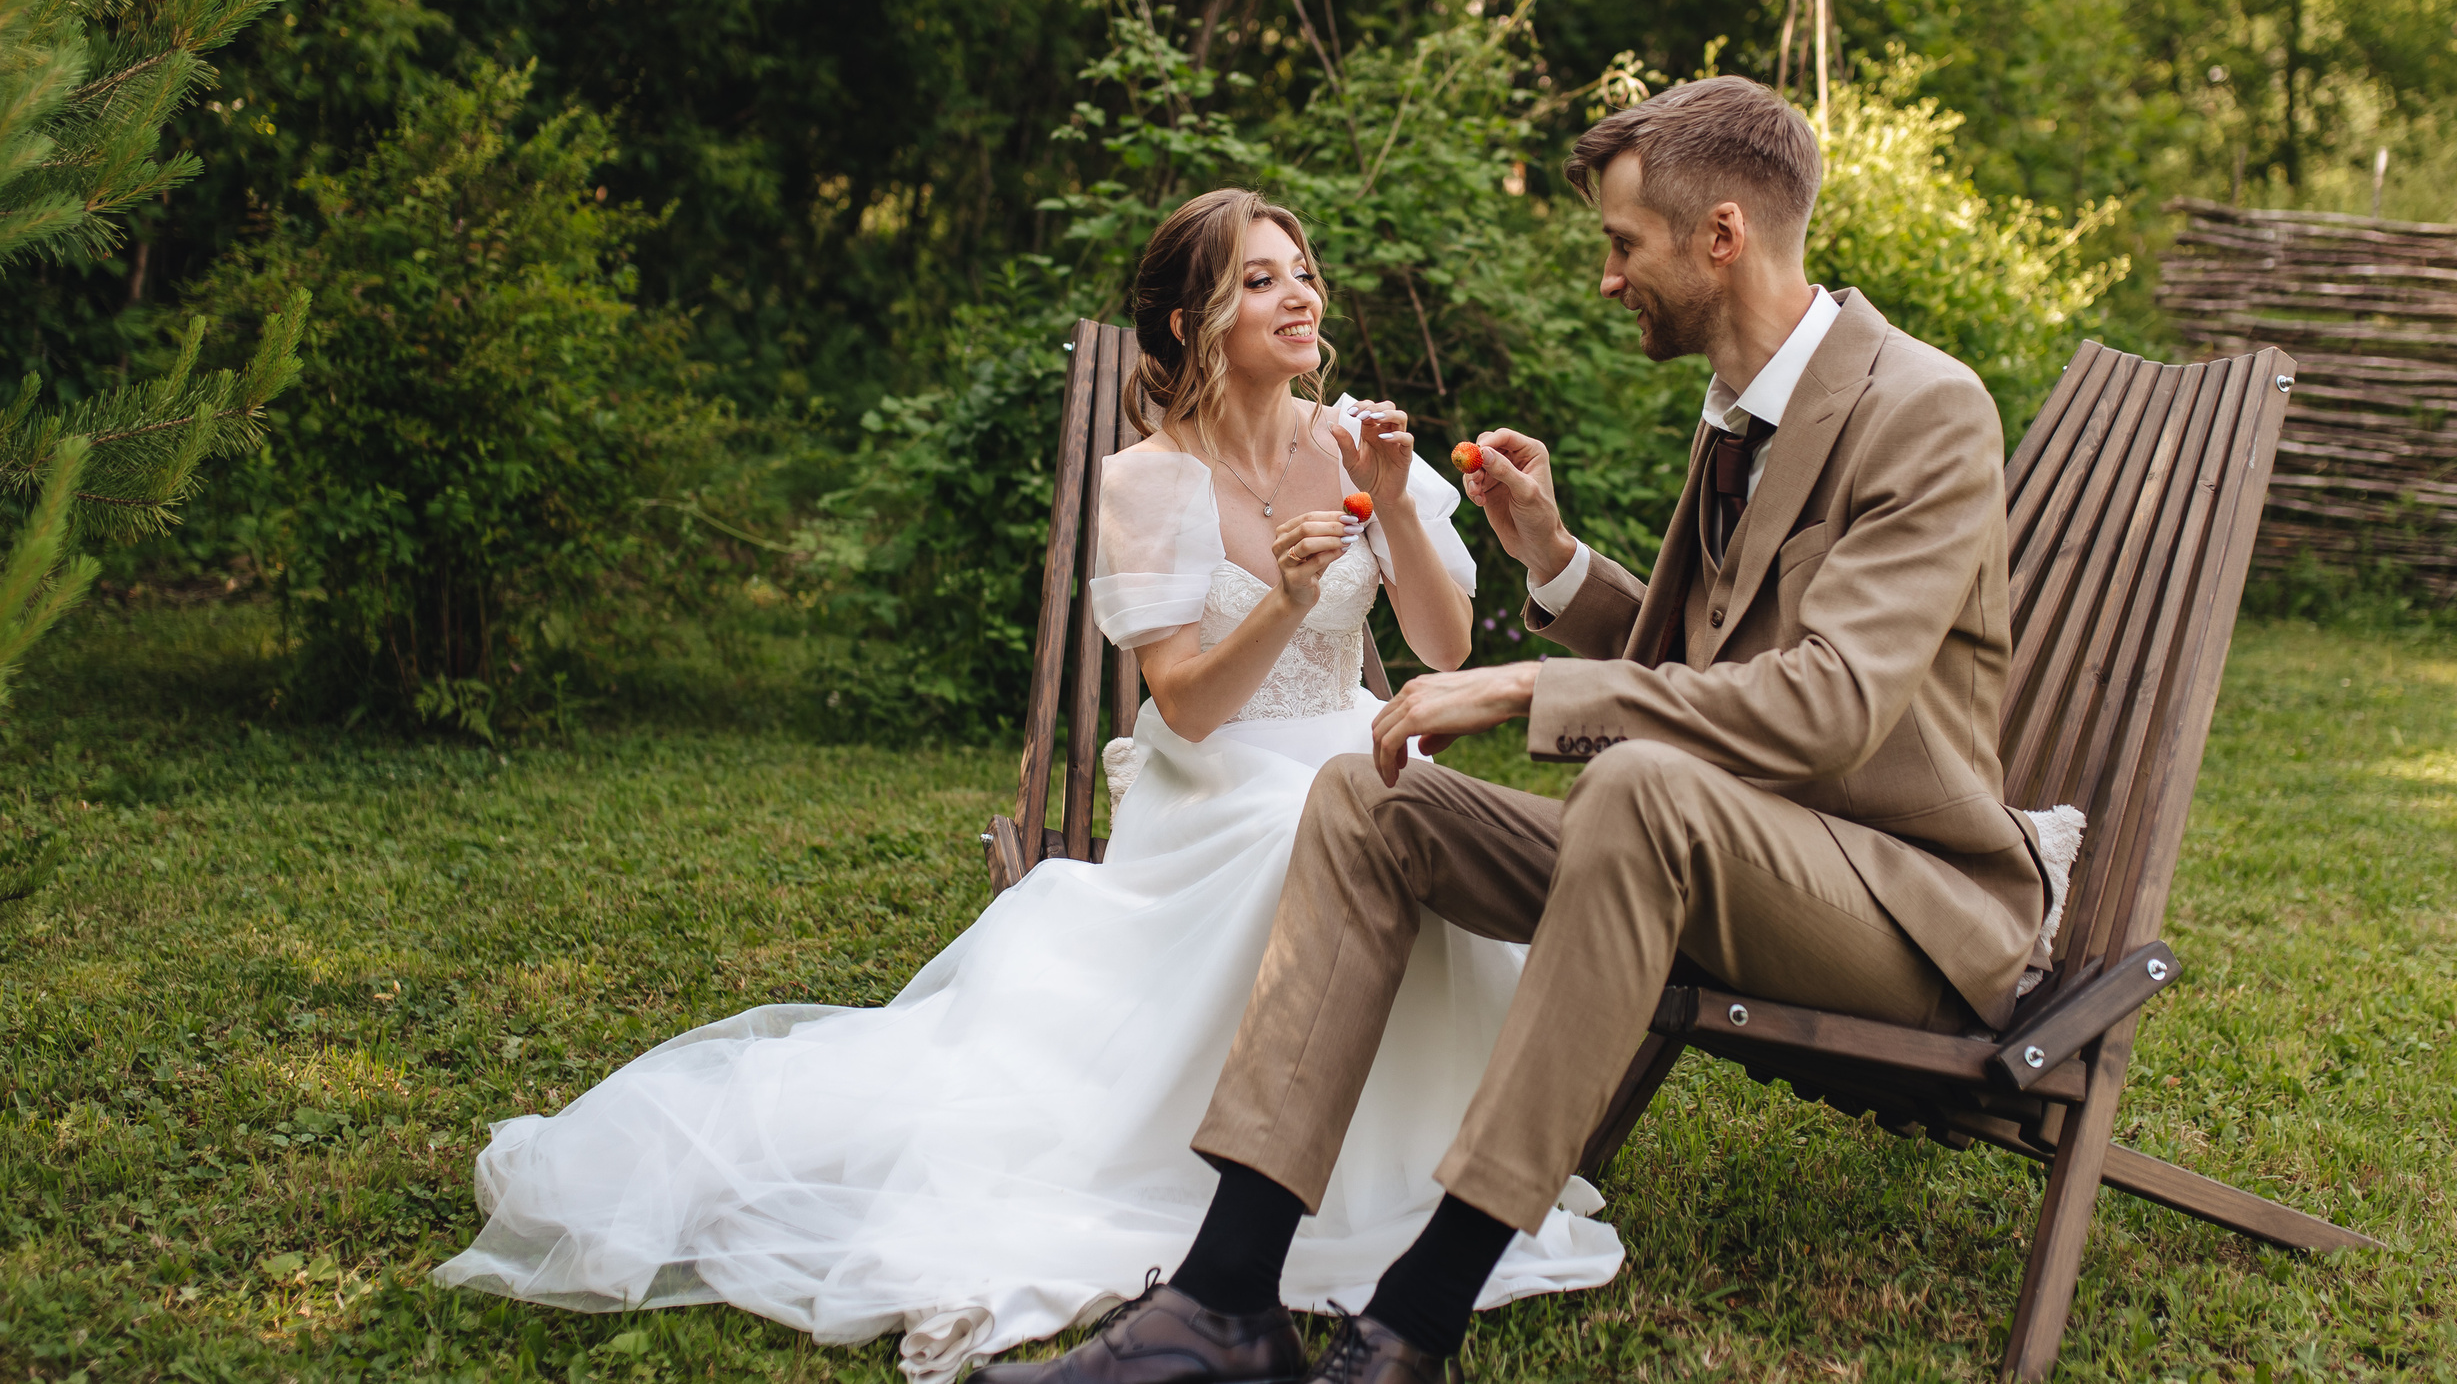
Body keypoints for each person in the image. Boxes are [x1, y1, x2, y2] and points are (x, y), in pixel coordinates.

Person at [432, 189, 1621, 1382]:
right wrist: (1287, 600)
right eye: (1257, 280)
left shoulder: (1359, 435)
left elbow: (1448, 646)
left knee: (1384, 807)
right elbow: (1191, 705)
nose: (1298, 293)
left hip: (1349, 744)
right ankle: (1251, 1206)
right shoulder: (1147, 484)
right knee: (1305, 830)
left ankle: (1390, 1166)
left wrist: (1397, 495)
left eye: (1300, 269)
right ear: (1182, 324)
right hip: (1215, 786)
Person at [993, 77, 2048, 1384]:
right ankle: (1223, 1297)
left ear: (1720, 236)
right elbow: (1700, 667)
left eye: (1622, 245)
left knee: (1641, 788)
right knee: (1371, 798)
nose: (1608, 279)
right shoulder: (1741, 410)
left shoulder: (1921, 405)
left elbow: (1826, 703)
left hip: (1899, 903)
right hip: (1719, 844)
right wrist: (1553, 559)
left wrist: (1517, 687)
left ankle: (1414, 1318)